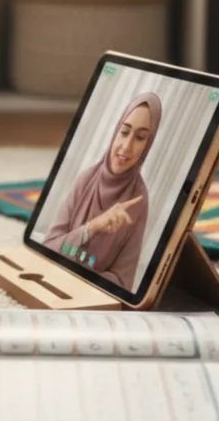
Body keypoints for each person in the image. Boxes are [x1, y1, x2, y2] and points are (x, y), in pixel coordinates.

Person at [40, 92, 162, 290]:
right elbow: (48, 246)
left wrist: (80, 280)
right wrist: (92, 227)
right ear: (115, 133)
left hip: (88, 295)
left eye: (140, 137)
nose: (126, 146)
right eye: (124, 132)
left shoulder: (138, 200)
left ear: (147, 146)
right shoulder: (87, 178)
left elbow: (122, 282)